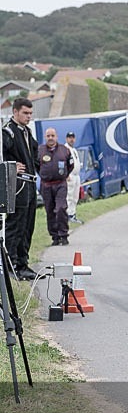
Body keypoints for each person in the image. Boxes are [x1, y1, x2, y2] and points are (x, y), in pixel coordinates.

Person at [2, 98, 39, 280]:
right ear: (15, 112)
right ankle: (11, 265)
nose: (29, 117)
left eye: (31, 113)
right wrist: (10, 166)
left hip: (31, 184)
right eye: (25, 113)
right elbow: (2, 155)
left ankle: (23, 264)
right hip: (18, 184)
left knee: (28, 226)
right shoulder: (7, 132)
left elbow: (34, 154)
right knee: (16, 225)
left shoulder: (27, 131)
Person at [37, 127, 74, 246]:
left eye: (52, 136)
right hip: (46, 185)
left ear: (57, 137)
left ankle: (63, 235)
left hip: (60, 184)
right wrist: (44, 175)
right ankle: (55, 237)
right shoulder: (40, 151)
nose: (50, 138)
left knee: (61, 208)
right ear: (45, 137)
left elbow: (71, 165)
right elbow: (36, 165)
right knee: (50, 210)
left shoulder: (64, 150)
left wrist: (64, 175)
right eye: (48, 136)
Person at [64, 131, 83, 224]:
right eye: (69, 137)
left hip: (76, 175)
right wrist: (66, 174)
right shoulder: (65, 149)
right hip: (70, 175)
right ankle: (67, 215)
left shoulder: (74, 149)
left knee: (75, 196)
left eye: (72, 137)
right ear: (66, 139)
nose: (71, 139)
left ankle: (73, 214)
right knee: (69, 196)